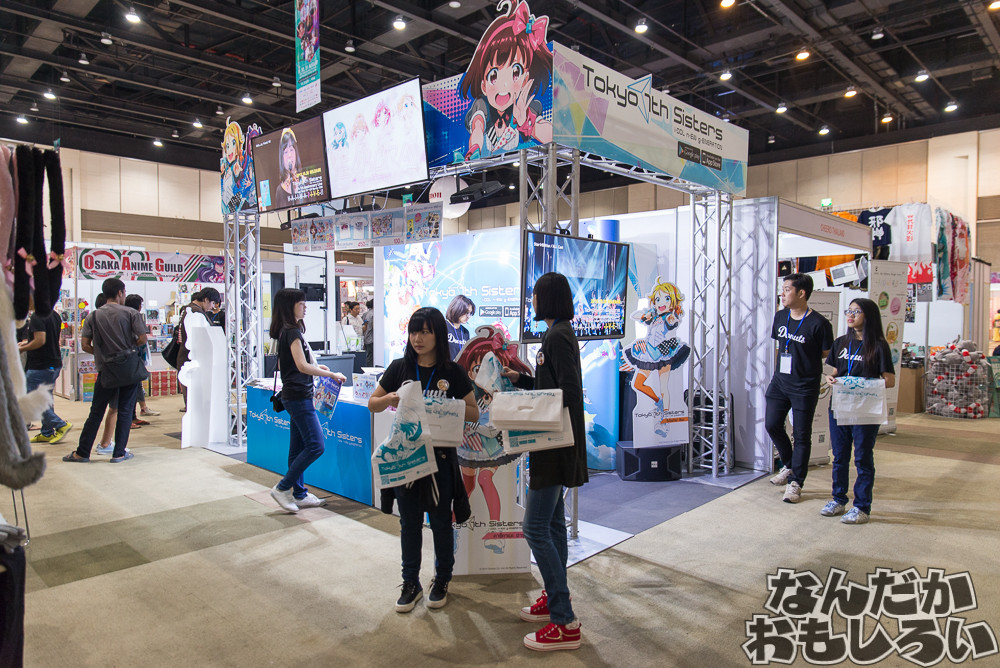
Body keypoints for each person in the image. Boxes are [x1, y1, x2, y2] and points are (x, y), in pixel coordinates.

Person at [368, 307, 479, 613]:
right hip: (407, 460)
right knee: (409, 524)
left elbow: (473, 413)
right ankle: (410, 582)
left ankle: (442, 580)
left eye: (425, 332)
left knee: (441, 523)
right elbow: (373, 403)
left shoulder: (452, 372)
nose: (417, 338)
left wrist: (446, 409)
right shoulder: (399, 368)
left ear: (438, 335)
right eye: (414, 331)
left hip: (441, 460)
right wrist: (390, 399)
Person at [501, 272, 586, 652]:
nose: (531, 300)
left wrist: (527, 406)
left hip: (553, 446)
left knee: (534, 528)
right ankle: (554, 600)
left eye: (534, 294)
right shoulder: (557, 334)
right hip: (552, 444)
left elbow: (569, 392)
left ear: (546, 298)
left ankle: (564, 621)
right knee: (551, 525)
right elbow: (552, 386)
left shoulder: (556, 336)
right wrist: (522, 381)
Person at [268, 288, 347, 513]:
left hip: (294, 395)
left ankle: (300, 494)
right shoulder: (291, 331)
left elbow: (292, 364)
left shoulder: (287, 330)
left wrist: (317, 367)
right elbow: (302, 366)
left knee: (298, 447)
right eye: (301, 303)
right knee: (315, 445)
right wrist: (331, 374)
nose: (305, 307)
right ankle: (282, 488)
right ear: (290, 306)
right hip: (299, 397)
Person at [823, 298, 895, 525]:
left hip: (866, 408)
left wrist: (862, 383)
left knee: (862, 457)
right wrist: (831, 378)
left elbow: (889, 380)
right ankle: (838, 499)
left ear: (869, 315)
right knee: (839, 456)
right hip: (841, 405)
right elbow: (837, 371)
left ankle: (862, 507)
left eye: (857, 311)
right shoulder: (840, 342)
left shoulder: (879, 345)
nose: (851, 315)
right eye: (849, 310)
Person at [765, 273, 834, 504]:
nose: (782, 294)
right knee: (772, 424)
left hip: (804, 385)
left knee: (802, 435)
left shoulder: (820, 324)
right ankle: (789, 464)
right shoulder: (780, 316)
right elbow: (780, 345)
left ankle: (796, 482)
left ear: (801, 293)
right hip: (780, 381)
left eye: (787, 289)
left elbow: (826, 352)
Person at [63, 278, 147, 463]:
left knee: (96, 411)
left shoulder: (93, 316)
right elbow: (142, 338)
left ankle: (82, 453)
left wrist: (102, 353)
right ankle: (119, 453)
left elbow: (85, 345)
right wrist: (129, 348)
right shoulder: (131, 313)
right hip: (128, 369)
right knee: (125, 411)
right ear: (120, 293)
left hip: (106, 369)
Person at [458, 0, 553, 160]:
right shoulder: (482, 106)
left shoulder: (528, 106)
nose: (504, 85)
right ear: (483, 85)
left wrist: (525, 122)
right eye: (493, 75)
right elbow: (477, 127)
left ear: (525, 80)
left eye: (515, 72)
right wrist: (474, 149)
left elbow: (553, 134)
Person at [19, 307, 72, 444]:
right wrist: (27, 342)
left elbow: (40, 340)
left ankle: (60, 424)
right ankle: (47, 432)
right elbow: (50, 339)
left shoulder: (37, 316)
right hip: (53, 363)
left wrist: (22, 348)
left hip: (41, 365)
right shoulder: (54, 315)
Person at [176, 288, 221, 411]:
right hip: (194, 361)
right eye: (213, 303)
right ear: (206, 300)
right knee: (195, 403)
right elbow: (197, 340)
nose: (213, 307)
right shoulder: (195, 313)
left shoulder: (190, 310)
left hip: (190, 359)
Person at [123, 294, 159, 428]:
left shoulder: (122, 315)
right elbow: (142, 338)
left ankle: (133, 416)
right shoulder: (134, 315)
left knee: (133, 387)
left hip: (125, 358)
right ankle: (130, 419)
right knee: (131, 389)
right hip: (133, 357)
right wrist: (133, 348)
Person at [273, 128, 301, 210]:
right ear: (282, 157)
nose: (289, 155)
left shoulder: (306, 183)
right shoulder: (279, 191)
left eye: (291, 150)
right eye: (285, 152)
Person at [445, 294, 475, 360]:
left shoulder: (465, 332)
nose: (468, 316)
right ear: (457, 309)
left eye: (470, 313)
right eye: (466, 312)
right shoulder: (442, 326)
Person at [362, 299, 375, 366]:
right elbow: (374, 326)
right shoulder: (374, 314)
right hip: (372, 338)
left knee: (368, 356)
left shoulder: (365, 314)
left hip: (366, 337)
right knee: (371, 357)